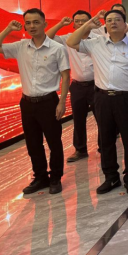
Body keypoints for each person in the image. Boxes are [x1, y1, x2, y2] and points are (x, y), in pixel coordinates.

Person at [0, 8, 70, 194]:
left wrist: (62, 102)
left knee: (54, 142)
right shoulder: (21, 46)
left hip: (49, 102)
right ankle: (40, 177)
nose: (32, 26)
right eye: (28, 23)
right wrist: (9, 29)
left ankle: (55, 177)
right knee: (33, 143)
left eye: (36, 22)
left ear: (44, 24)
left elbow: (65, 76)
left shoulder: (57, 48)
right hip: (27, 103)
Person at [66, 10, 128, 195]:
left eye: (117, 20)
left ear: (124, 23)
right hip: (103, 98)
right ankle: (111, 177)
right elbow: (71, 42)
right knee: (106, 139)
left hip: (127, 98)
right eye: (109, 20)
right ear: (105, 25)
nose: (113, 23)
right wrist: (87, 25)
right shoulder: (96, 44)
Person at [46, 10, 101, 163]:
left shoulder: (98, 39)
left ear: (90, 22)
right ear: (73, 24)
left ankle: (104, 146)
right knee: (78, 119)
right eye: (77, 21)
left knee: (102, 118)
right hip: (77, 86)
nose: (80, 23)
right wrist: (60, 24)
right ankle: (80, 149)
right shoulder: (68, 39)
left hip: (97, 85)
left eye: (84, 20)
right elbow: (47, 38)